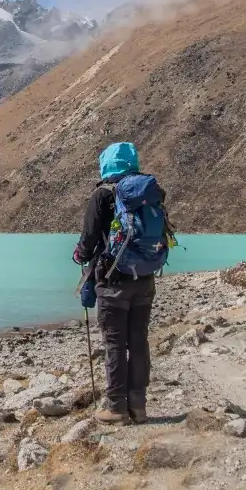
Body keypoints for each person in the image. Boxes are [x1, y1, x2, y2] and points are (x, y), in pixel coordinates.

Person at [72, 141, 167, 425]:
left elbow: (88, 243)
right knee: (138, 341)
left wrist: (79, 255)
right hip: (145, 279)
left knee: (115, 343)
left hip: (113, 282)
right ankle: (138, 407)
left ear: (106, 164)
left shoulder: (103, 195)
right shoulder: (149, 193)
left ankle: (115, 408)